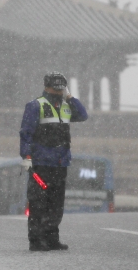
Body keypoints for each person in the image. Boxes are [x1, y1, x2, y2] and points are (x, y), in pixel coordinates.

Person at [19, 71, 88, 252]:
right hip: (41, 165)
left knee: (56, 204)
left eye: (61, 89)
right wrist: (26, 157)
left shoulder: (66, 106)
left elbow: (82, 115)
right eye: (55, 88)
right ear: (46, 87)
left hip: (60, 163)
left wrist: (71, 97)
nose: (58, 92)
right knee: (39, 203)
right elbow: (26, 133)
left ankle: (52, 239)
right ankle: (36, 241)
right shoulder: (36, 106)